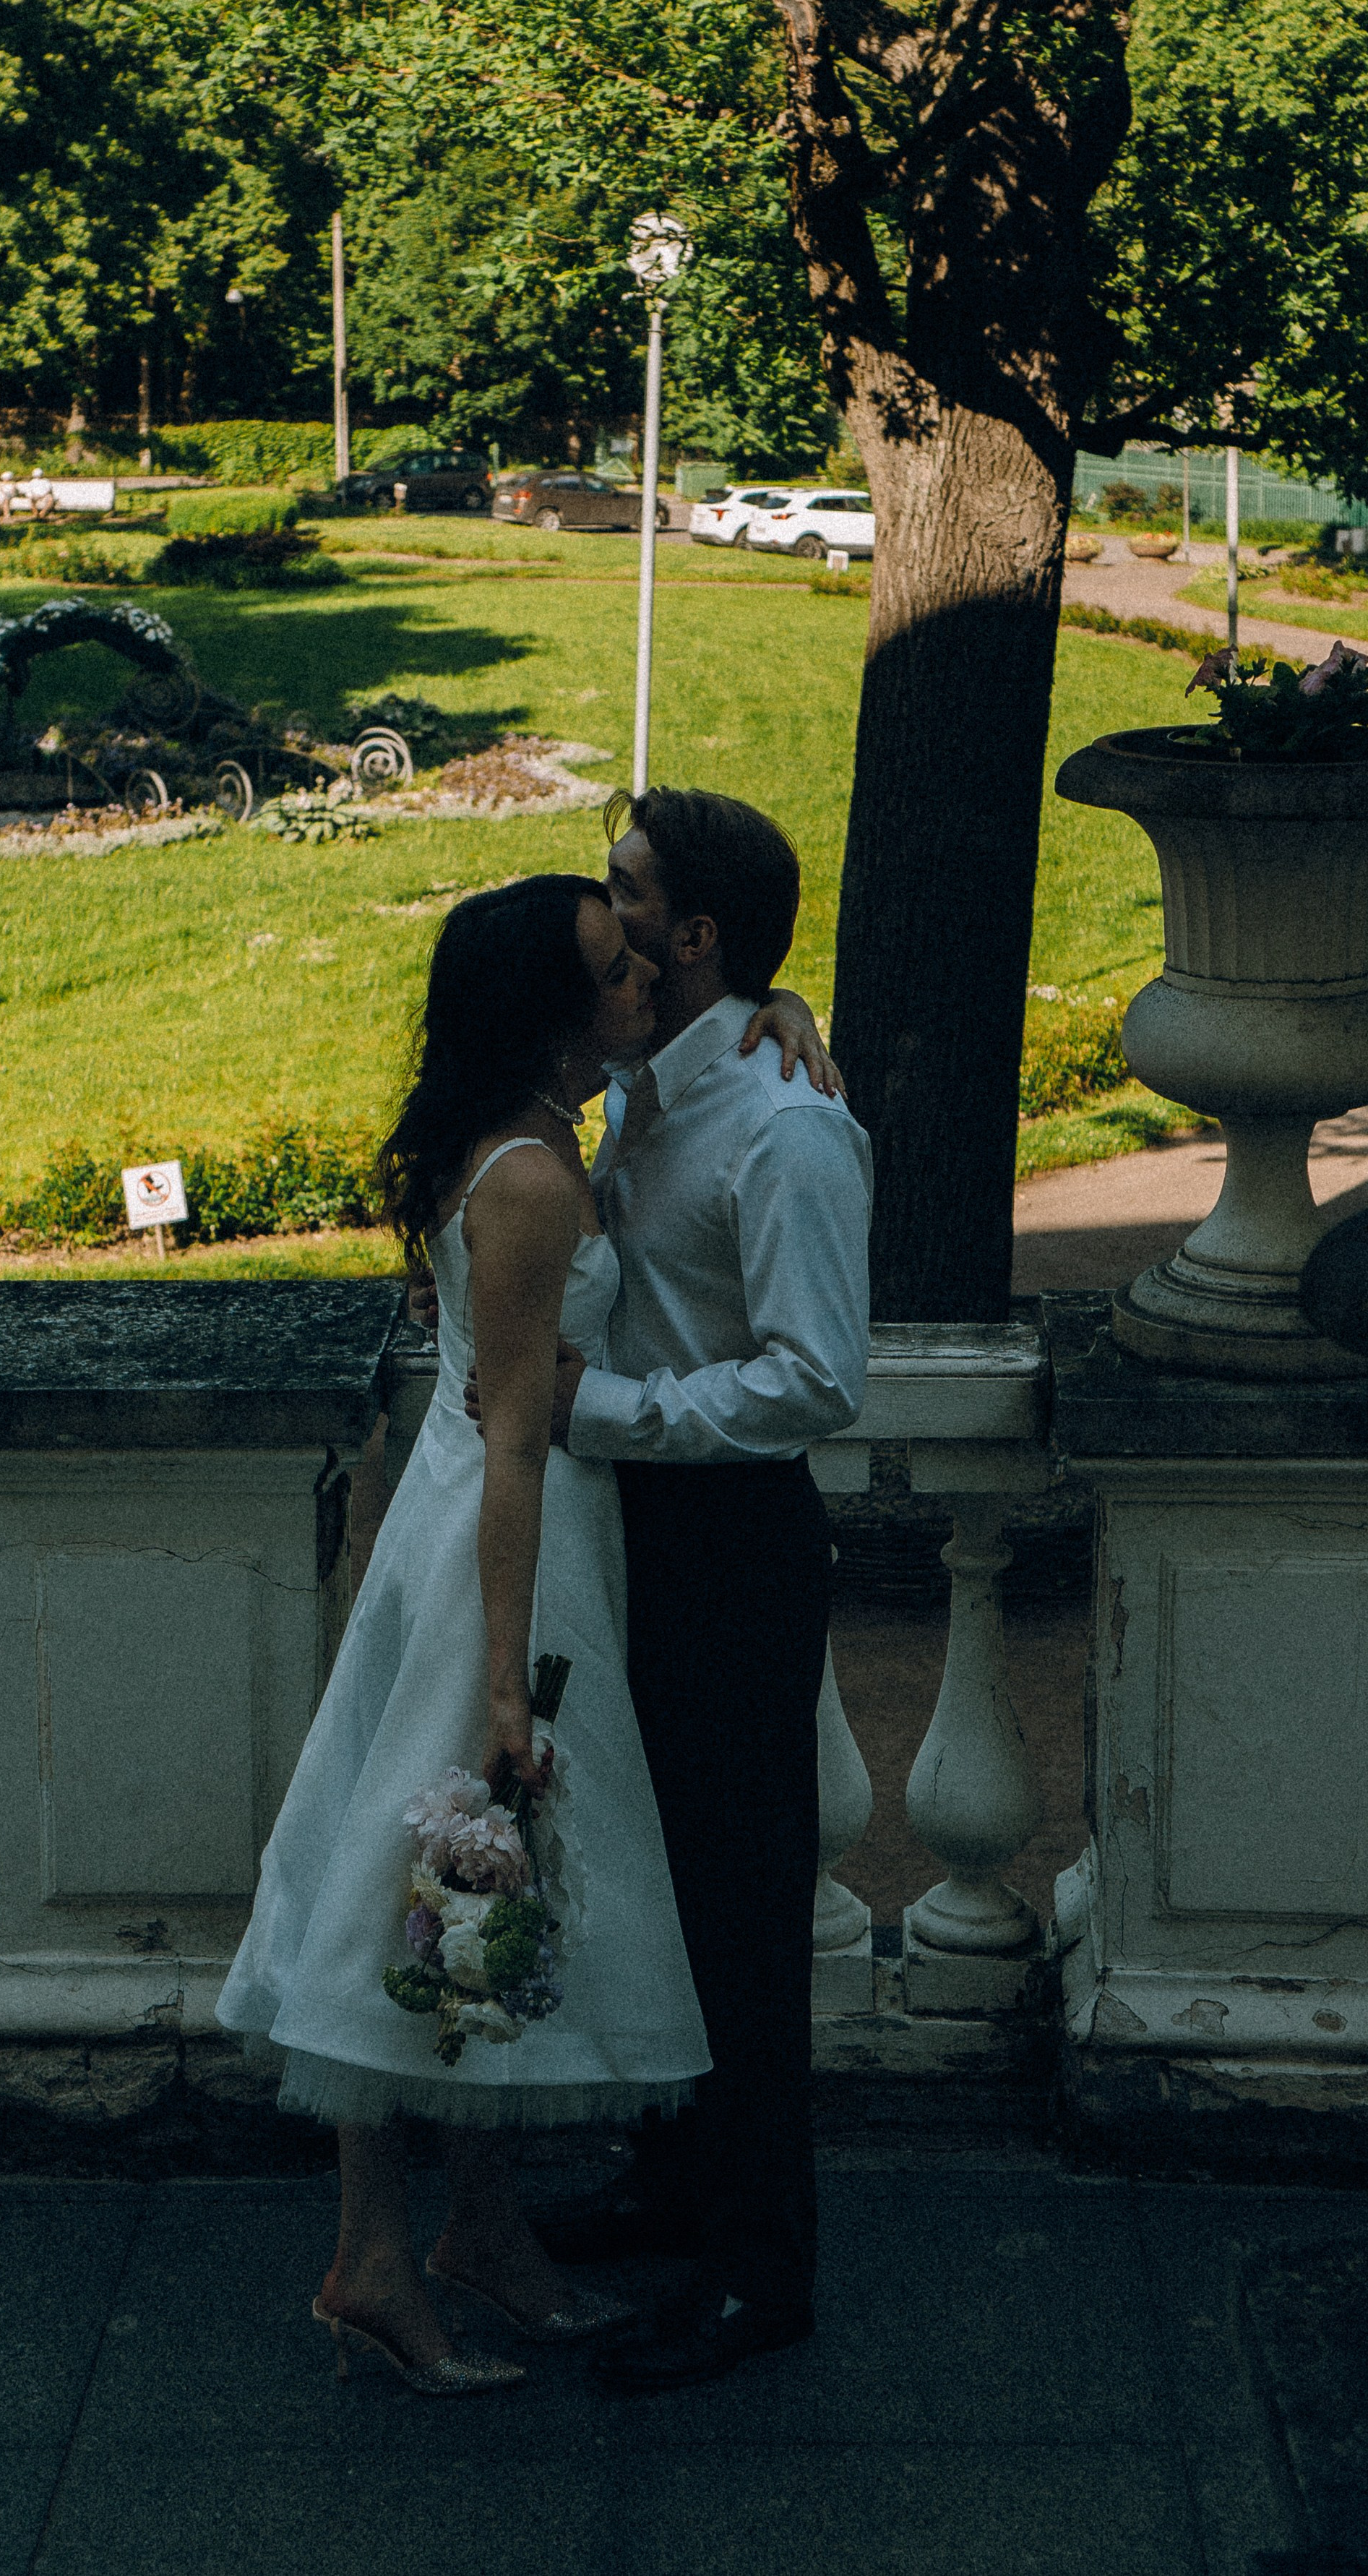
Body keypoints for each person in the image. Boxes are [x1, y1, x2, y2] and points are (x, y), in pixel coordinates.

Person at [216, 873, 712, 2395]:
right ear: (544, 1014)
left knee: (486, 1887)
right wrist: (503, 1669)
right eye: (610, 969)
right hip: (509, 1552)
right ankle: (373, 2255)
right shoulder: (529, 1182)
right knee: (429, 1874)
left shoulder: (548, 1139)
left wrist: (785, 1018)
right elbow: (512, 1437)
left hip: (483, 1533)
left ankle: (479, 2233)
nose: (639, 979)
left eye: (634, 955)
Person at [532, 786, 872, 2395]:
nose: (607, 910)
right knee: (645, 1881)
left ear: (697, 934)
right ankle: (669, 2182)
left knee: (738, 1918)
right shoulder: (653, 1084)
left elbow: (816, 1381)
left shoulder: (785, 1127)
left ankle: (758, 2270)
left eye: (628, 889)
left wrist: (599, 1417)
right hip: (632, 1536)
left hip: (728, 1543)